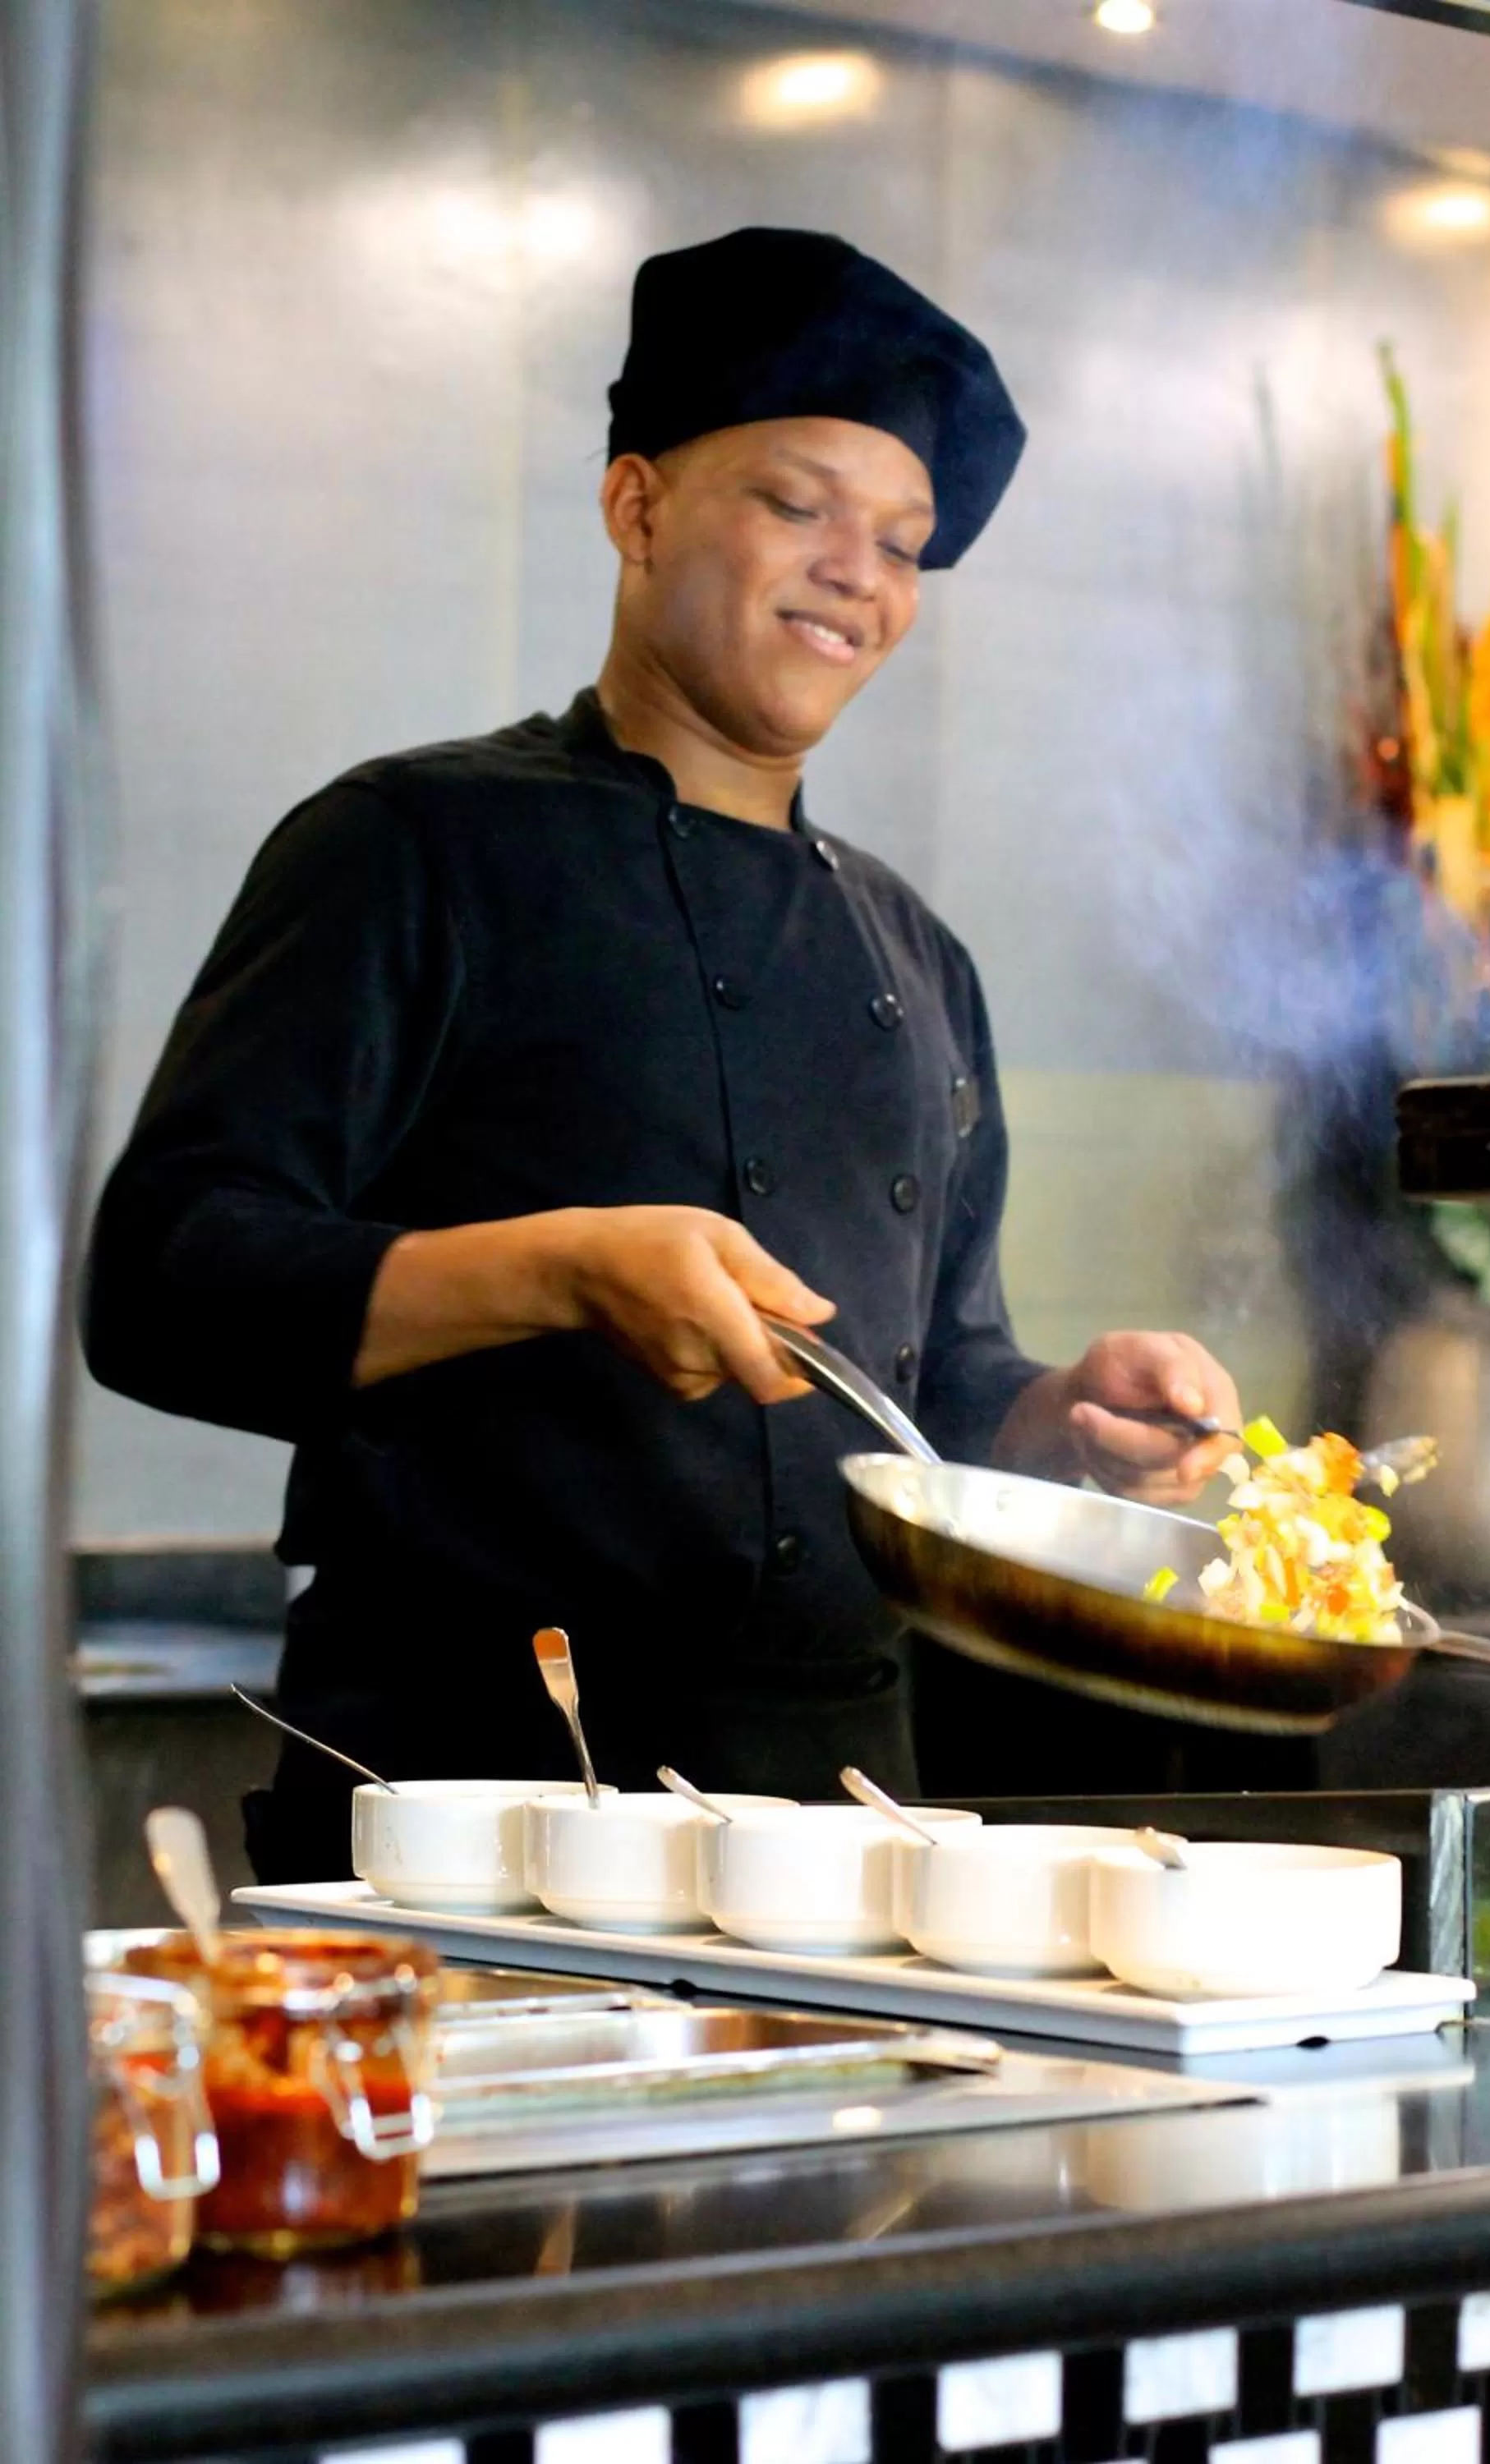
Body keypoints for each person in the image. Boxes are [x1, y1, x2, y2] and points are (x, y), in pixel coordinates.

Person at [83, 228, 1240, 1879]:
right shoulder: (414, 845)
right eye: (799, 505)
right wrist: (563, 1270)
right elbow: (163, 1282)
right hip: (477, 1808)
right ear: (635, 506)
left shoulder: (915, 954)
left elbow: (928, 1383)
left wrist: (1059, 1423)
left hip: (839, 1832)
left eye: (903, 543)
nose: (858, 573)